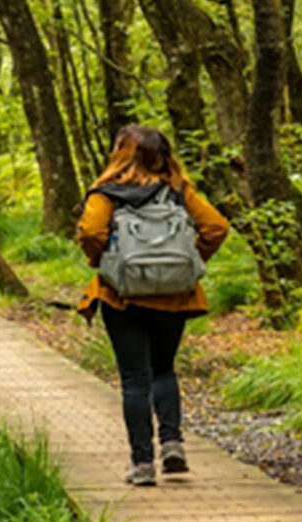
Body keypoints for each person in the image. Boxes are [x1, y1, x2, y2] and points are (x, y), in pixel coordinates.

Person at [75, 125, 230, 486]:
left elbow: (91, 233)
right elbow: (216, 227)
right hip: (173, 297)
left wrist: (104, 262)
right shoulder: (177, 191)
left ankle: (143, 464)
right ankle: (172, 443)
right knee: (164, 369)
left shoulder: (106, 194)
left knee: (134, 380)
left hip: (122, 296)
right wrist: (188, 263)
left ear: (121, 153)